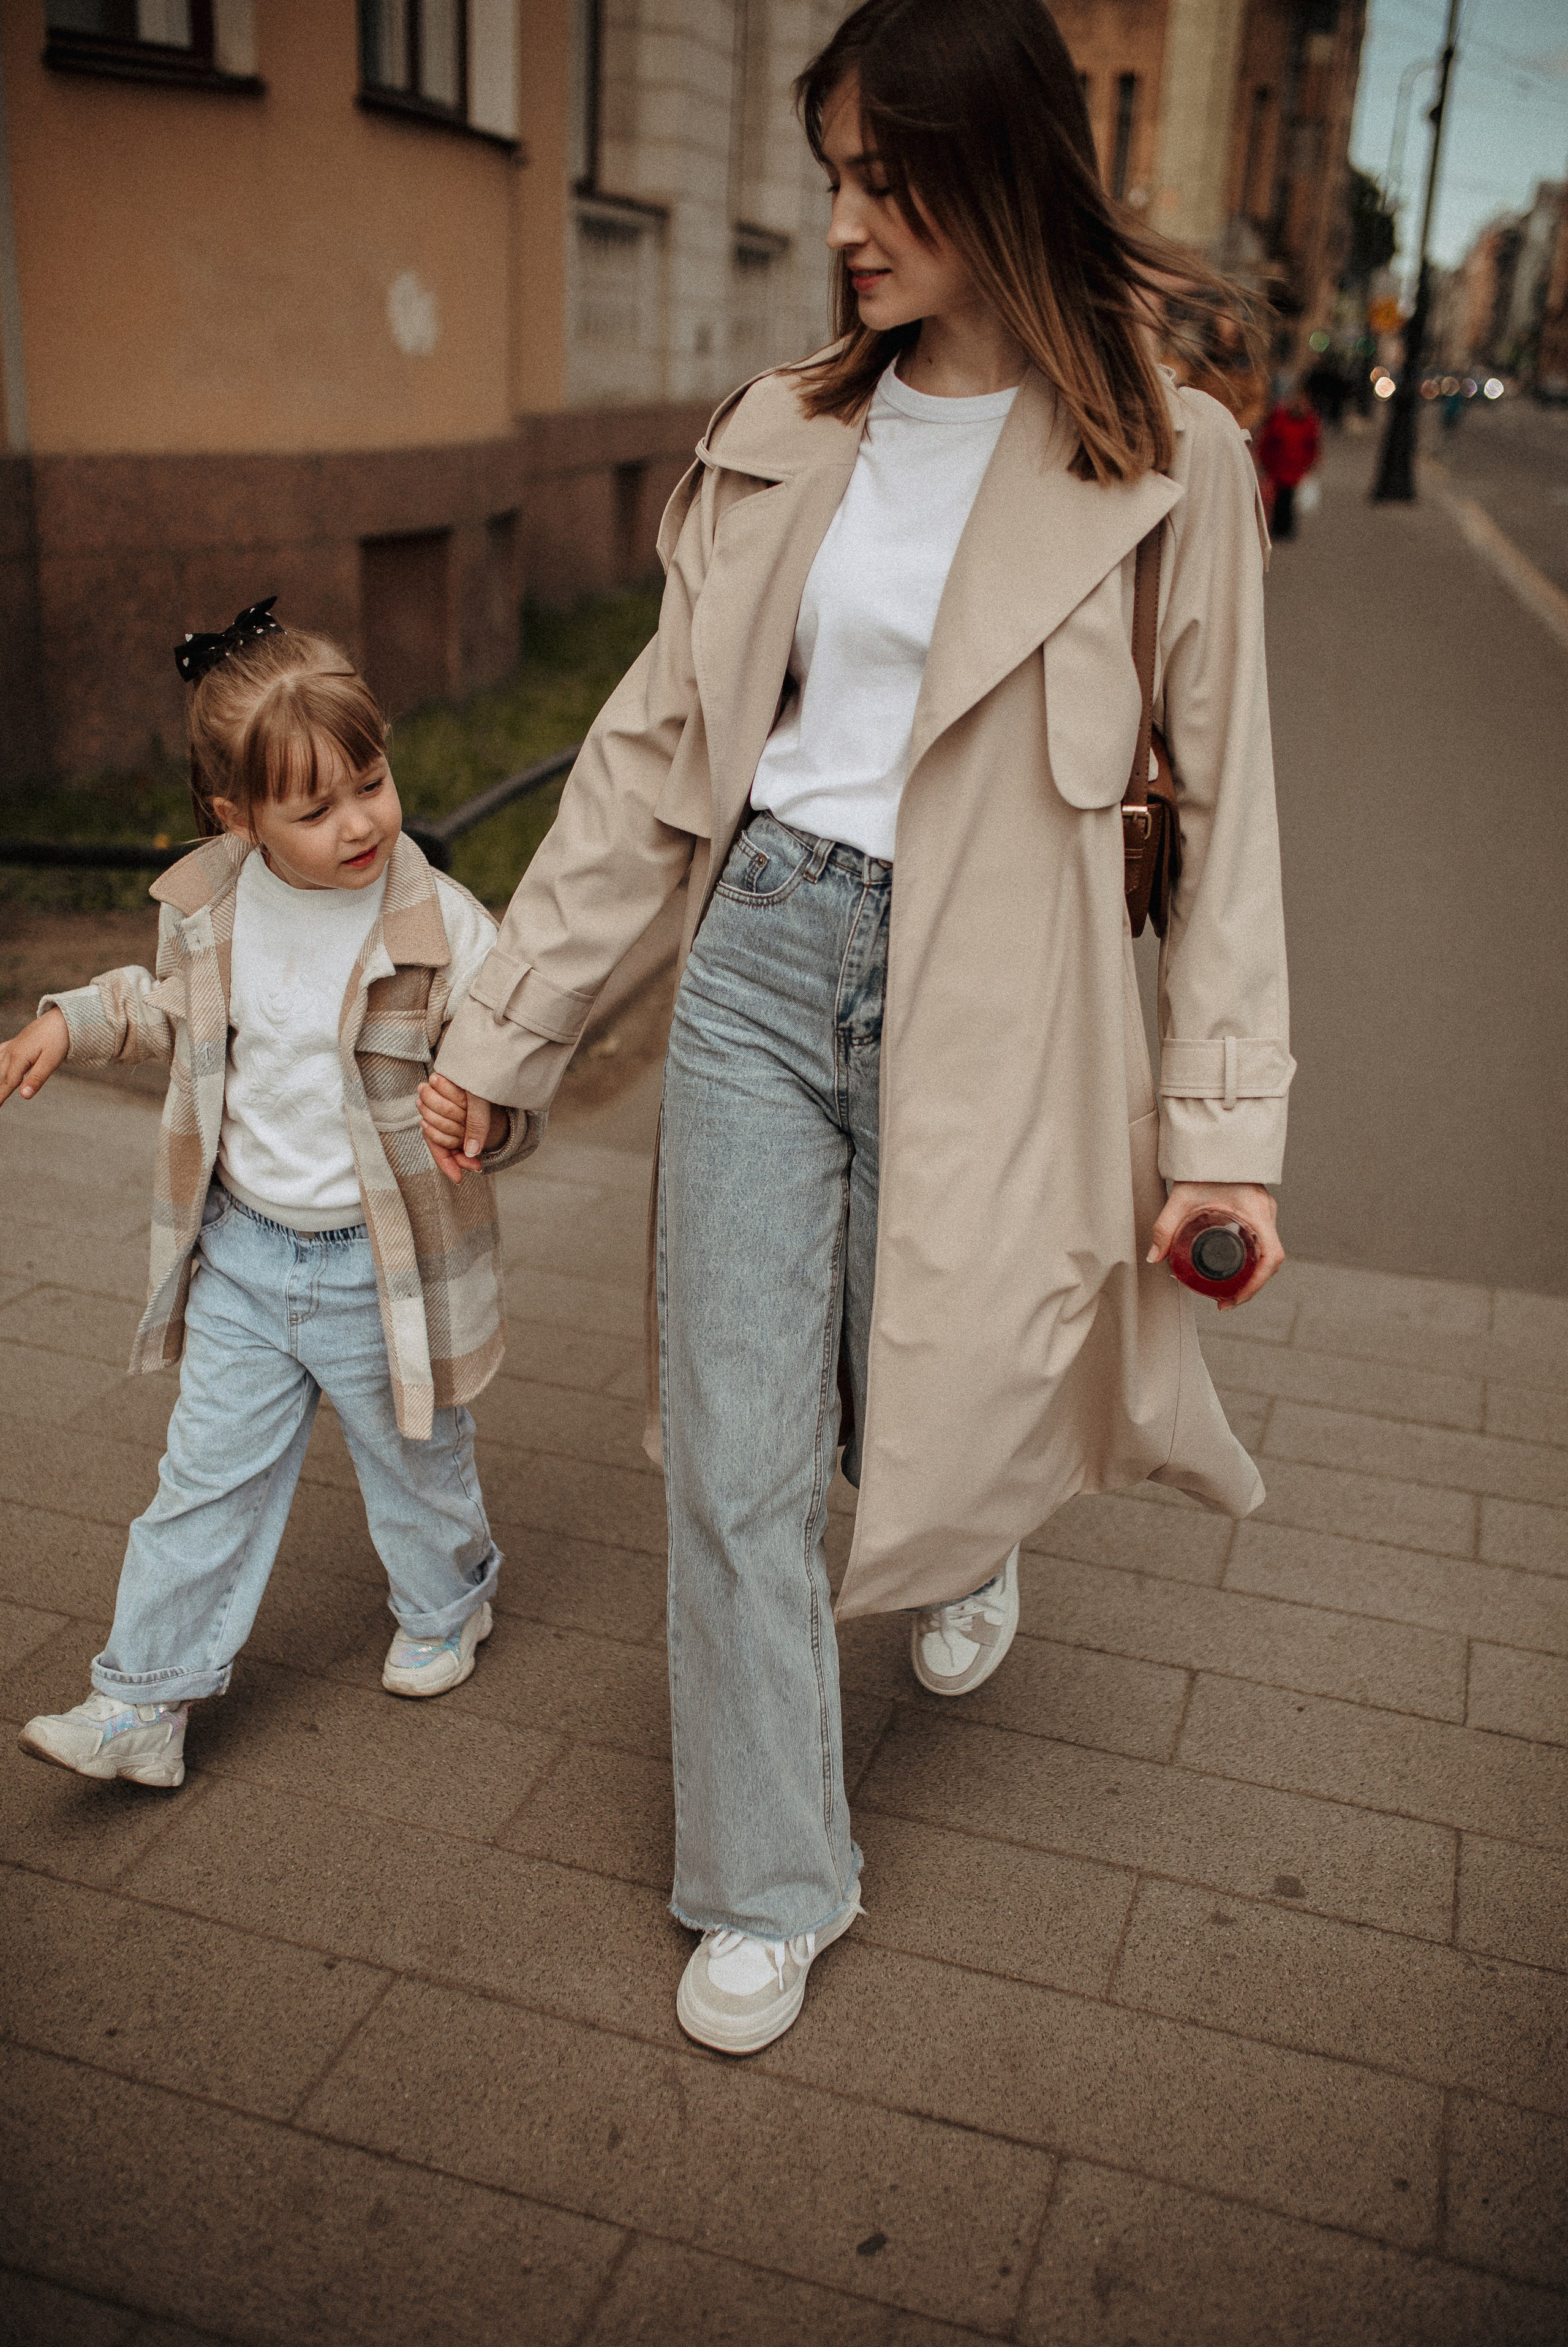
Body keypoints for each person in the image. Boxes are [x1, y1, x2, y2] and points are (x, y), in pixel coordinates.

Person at [421, 0, 1292, 2055]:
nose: (845, 224)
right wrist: (500, 1035)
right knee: (737, 1438)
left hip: (1002, 994)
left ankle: (965, 1513)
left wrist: (1223, 1128)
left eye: (883, 179)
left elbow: (1237, 815)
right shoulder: (784, 430)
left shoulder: (1173, 463)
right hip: (761, 964)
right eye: (832, 178)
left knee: (938, 1356)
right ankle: (770, 1872)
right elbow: (647, 762)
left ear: (1000, 172)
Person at [0, 604, 533, 1790]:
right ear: (234, 816)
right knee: (202, 1482)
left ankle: (452, 1599)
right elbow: (163, 1006)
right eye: (314, 808)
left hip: (379, 1269)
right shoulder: (212, 906)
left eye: (372, 782)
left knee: (417, 1468)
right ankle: (143, 1701)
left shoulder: (435, 922)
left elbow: (510, 1051)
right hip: (244, 1255)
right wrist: (68, 1021)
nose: (359, 822)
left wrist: (487, 1109)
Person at [1257, 384, 1321, 540]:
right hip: (1279, 466)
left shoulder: (1309, 422)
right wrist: (1264, 461)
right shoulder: (1280, 418)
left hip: (1295, 467)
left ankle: (1285, 528)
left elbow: (1312, 445)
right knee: (1278, 499)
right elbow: (1269, 440)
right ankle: (1279, 528)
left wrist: (1311, 464)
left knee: (1288, 498)